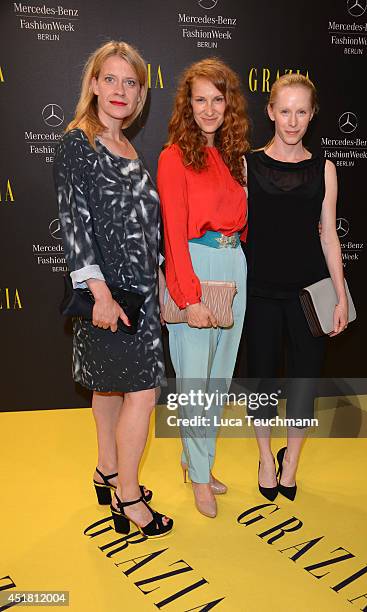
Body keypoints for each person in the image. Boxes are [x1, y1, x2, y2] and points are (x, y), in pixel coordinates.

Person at [53, 41, 173, 537]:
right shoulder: (77, 143)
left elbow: (148, 226)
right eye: (111, 79)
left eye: (131, 82)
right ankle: (128, 497)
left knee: (106, 385)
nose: (120, 90)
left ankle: (107, 469)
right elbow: (73, 223)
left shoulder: (129, 148)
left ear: (141, 92)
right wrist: (99, 293)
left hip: (142, 291)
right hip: (110, 296)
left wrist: (162, 281)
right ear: (94, 84)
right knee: (141, 395)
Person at [245, 73, 348, 501]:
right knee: (262, 380)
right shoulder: (246, 164)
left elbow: (329, 235)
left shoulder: (324, 168)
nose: (292, 120)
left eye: (301, 111)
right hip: (259, 293)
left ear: (312, 115)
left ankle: (292, 462)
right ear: (270, 111)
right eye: (284, 110)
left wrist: (340, 296)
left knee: (305, 382)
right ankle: (267, 458)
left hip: (310, 295)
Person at [157, 58, 249, 518]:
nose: (209, 109)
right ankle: (198, 477)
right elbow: (173, 233)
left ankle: (200, 461)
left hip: (235, 269)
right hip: (195, 266)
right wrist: (188, 297)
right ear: (186, 105)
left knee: (217, 383)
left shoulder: (235, 158)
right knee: (195, 384)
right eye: (200, 100)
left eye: (217, 99)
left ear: (228, 103)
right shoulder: (173, 157)